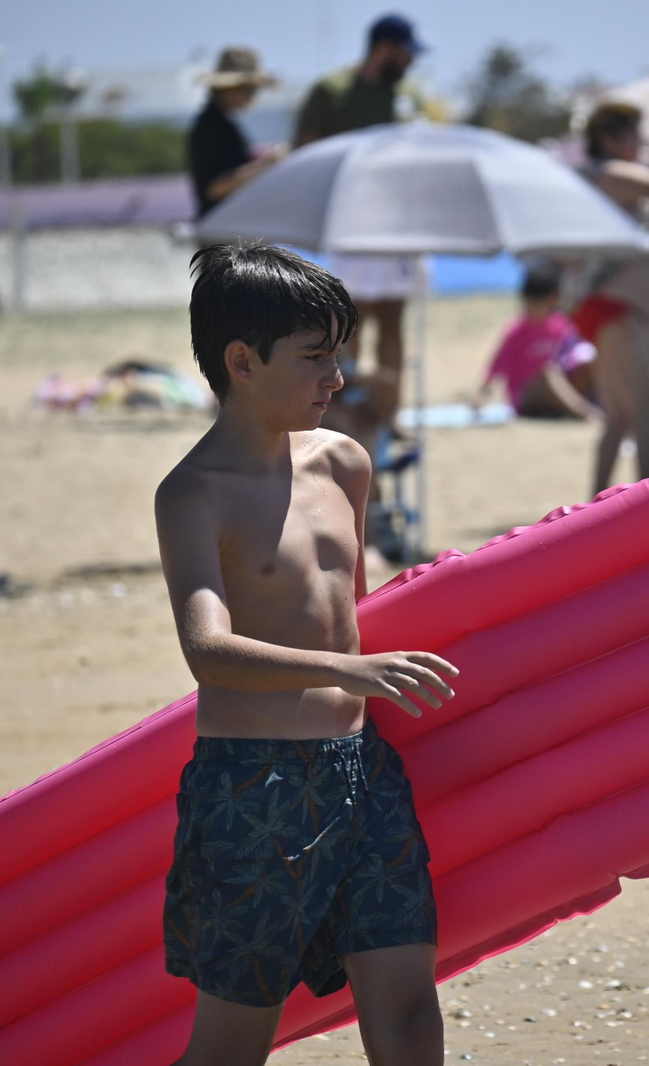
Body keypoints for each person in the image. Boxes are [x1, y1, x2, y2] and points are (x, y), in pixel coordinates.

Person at [154, 242, 457, 1066]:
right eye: (315, 358)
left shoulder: (346, 463)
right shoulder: (193, 493)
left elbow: (355, 606)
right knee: (232, 1045)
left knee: (406, 1008)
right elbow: (207, 650)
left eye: (339, 356)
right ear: (241, 361)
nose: (338, 379)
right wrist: (346, 671)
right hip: (253, 787)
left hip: (362, 769)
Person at [294, 13, 429, 433]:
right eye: (406, 54)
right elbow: (306, 153)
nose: (410, 63)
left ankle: (390, 412)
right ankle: (343, 407)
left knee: (393, 316)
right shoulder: (331, 91)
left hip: (398, 225)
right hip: (350, 224)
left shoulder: (408, 96)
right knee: (349, 319)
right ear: (384, 48)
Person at [574, 101, 649, 495]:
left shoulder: (617, 177)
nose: (639, 146)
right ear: (608, 139)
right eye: (632, 136)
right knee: (648, 409)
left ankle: (594, 507)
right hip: (614, 308)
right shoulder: (610, 172)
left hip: (620, 309)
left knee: (619, 416)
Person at [472, 268, 598, 419]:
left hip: (560, 391)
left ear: (553, 300)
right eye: (529, 304)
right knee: (548, 373)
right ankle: (587, 413)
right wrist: (481, 396)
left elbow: (577, 356)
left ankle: (600, 405)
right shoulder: (516, 331)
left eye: (539, 305)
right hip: (527, 397)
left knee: (593, 364)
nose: (533, 311)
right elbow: (495, 368)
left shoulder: (561, 326)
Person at [188, 47, 286, 220]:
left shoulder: (221, 124)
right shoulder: (211, 127)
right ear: (226, 88)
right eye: (247, 89)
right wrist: (266, 164)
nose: (252, 96)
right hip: (220, 228)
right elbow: (215, 187)